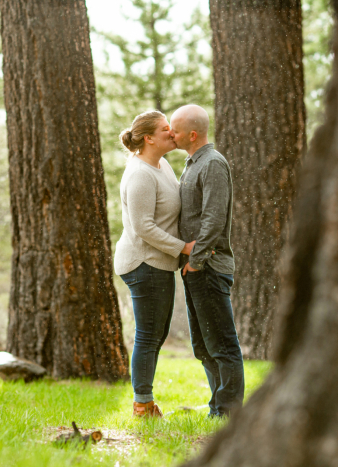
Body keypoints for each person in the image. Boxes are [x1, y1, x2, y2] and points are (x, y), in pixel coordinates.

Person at [115, 110, 195, 418]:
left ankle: (144, 400)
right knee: (149, 334)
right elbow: (143, 227)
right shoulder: (140, 174)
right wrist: (184, 247)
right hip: (142, 263)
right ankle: (142, 405)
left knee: (156, 333)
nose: (172, 134)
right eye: (165, 130)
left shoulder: (161, 164)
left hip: (159, 262)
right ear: (149, 138)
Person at [169, 104, 245, 417]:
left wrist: (197, 261)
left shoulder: (212, 163)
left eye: (174, 129)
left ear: (193, 134)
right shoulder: (192, 164)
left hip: (208, 266)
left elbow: (214, 218)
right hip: (195, 269)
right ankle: (217, 407)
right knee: (202, 346)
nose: (170, 134)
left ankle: (227, 415)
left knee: (222, 345)